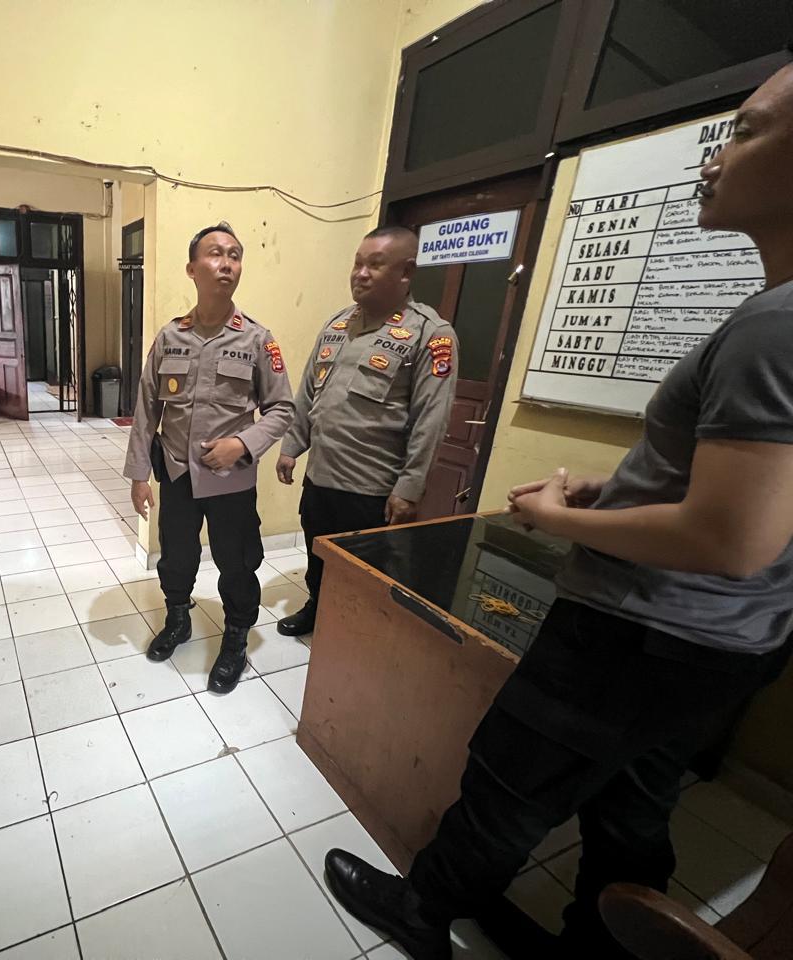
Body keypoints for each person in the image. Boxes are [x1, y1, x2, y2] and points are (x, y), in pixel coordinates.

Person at [322, 61, 793, 960]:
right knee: (632, 802)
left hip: (645, 631)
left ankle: (423, 910)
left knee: (511, 780)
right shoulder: (770, 316)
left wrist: (557, 517)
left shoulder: (776, 327)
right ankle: (607, 941)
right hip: (727, 642)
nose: (714, 157)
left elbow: (732, 536)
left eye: (745, 131)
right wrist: (614, 491)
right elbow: (741, 491)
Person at [123, 223, 294, 694]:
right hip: (177, 474)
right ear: (192, 269)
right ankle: (178, 619)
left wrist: (243, 444)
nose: (227, 263)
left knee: (237, 563)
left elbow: (282, 408)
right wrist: (139, 475)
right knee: (176, 557)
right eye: (216, 253)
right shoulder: (170, 336)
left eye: (235, 255)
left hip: (231, 481)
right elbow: (147, 409)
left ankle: (236, 637)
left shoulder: (257, 339)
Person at [274, 226, 458, 637]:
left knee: (367, 570)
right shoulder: (337, 324)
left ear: (406, 272)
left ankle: (355, 634)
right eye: (358, 263)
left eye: (375, 264)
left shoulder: (430, 334)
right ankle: (318, 607)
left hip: (371, 489)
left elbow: (431, 419)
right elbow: (308, 391)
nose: (360, 273)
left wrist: (409, 489)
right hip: (321, 478)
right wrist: (291, 445)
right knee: (318, 554)